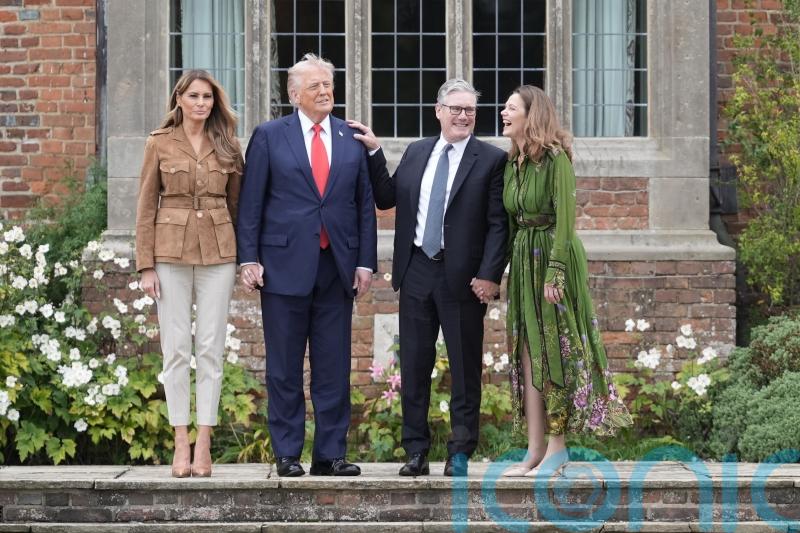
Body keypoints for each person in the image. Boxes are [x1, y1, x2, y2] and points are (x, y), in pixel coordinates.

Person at [348, 79, 508, 477]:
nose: (463, 116)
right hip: (417, 269)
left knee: (465, 369)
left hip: (464, 278)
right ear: (438, 111)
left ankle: (460, 452)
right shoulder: (418, 151)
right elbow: (387, 197)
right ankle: (415, 452)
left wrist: (489, 275)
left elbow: (498, 224)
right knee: (414, 365)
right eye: (456, 109)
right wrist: (375, 151)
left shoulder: (491, 159)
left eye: (470, 110)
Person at [236, 54, 377, 477]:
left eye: (328, 84)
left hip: (337, 267)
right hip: (282, 266)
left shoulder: (350, 136)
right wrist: (248, 258)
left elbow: (364, 205)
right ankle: (287, 453)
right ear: (294, 95)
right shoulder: (269, 136)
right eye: (315, 86)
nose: (324, 91)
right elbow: (250, 203)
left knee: (334, 366)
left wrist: (365, 262)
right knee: (284, 367)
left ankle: (330, 455)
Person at [498, 85, 632, 477]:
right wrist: (499, 272)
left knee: (554, 350)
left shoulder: (556, 160)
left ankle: (557, 448)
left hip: (552, 258)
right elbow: (511, 225)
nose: (503, 113)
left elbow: (565, 221)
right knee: (528, 352)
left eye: (511, 107)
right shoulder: (513, 162)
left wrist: (555, 271)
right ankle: (534, 450)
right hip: (524, 260)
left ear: (532, 115)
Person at [135, 70, 243, 478]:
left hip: (219, 252)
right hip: (169, 252)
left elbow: (238, 206)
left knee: (211, 349)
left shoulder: (228, 144)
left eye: (207, 97)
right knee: (176, 349)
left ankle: (204, 441)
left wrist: (245, 257)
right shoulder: (159, 142)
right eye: (194, 96)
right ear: (179, 98)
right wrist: (146, 264)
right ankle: (181, 440)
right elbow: (146, 205)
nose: (201, 103)